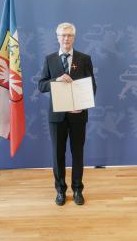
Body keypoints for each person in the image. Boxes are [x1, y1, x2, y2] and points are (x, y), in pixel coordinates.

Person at [38, 22, 96, 206]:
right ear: (57, 37)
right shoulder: (49, 59)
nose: (66, 38)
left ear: (74, 37)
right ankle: (60, 191)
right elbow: (41, 85)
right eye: (63, 35)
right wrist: (56, 80)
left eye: (69, 35)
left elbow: (91, 86)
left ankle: (78, 189)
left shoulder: (84, 58)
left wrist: (82, 104)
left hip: (78, 114)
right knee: (58, 154)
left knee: (77, 153)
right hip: (57, 117)